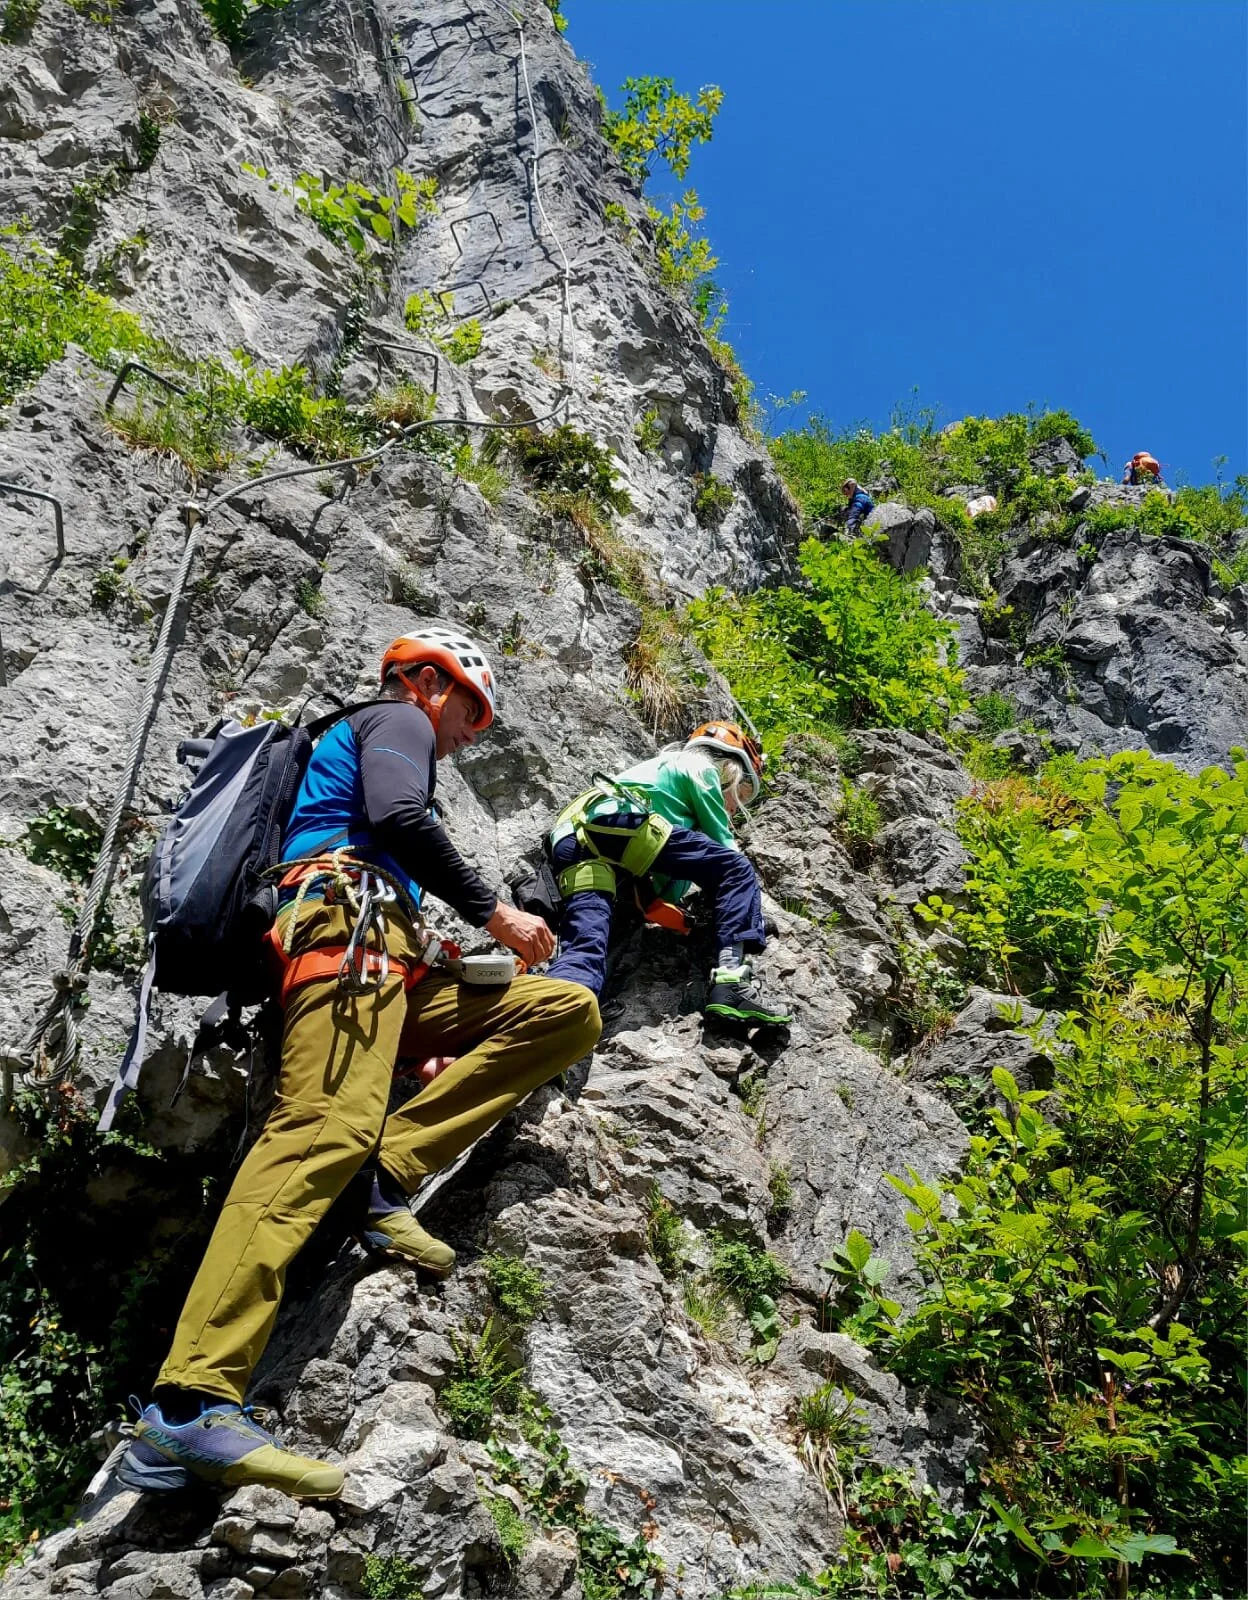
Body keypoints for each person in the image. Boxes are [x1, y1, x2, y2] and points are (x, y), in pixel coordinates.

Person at [118, 626, 601, 1500]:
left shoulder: (392, 735)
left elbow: (392, 831)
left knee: (564, 1011)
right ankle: (188, 1406)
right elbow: (398, 817)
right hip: (347, 943)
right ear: (424, 680)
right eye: (467, 707)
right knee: (316, 1130)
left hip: (391, 964)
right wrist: (497, 915)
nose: (468, 732)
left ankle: (383, 1173)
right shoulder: (396, 717)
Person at [545, 722, 793, 1027]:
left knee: (589, 943)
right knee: (737, 869)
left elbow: (666, 893)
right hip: (621, 826)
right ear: (729, 769)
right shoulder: (695, 765)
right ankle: (731, 984)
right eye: (739, 794)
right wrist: (746, 915)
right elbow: (725, 853)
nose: (733, 810)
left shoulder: (660, 782)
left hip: (575, 843)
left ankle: (553, 1024)